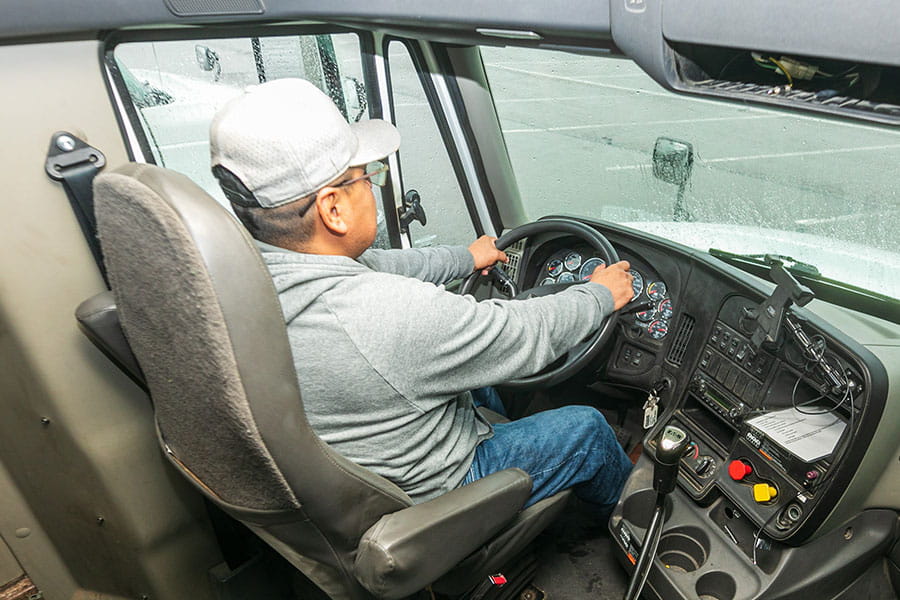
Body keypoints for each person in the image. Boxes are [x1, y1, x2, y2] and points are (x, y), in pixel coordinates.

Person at [209, 78, 635, 517]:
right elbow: (521, 334)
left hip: (362, 467)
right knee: (587, 429)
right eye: (366, 178)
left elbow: (381, 264)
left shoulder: (240, 277)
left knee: (482, 377)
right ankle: (630, 528)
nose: (374, 188)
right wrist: (599, 295)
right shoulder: (384, 315)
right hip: (439, 489)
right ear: (333, 209)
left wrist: (466, 258)